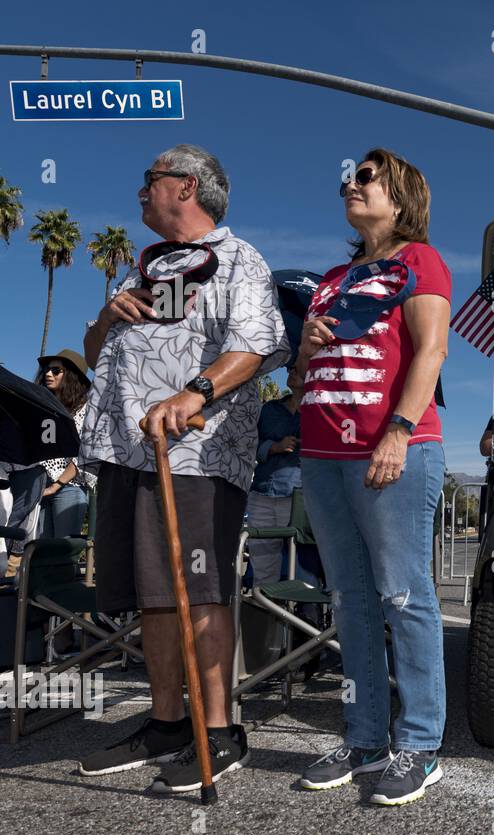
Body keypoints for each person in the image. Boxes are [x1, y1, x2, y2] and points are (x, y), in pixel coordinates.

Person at [76, 144, 289, 790]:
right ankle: (168, 722)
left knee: (199, 589)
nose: (140, 191)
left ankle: (219, 730)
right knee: (154, 595)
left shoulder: (236, 259)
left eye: (151, 180)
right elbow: (93, 355)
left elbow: (257, 343)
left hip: (195, 450)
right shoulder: (141, 271)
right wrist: (109, 314)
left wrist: (194, 393)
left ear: (187, 186)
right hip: (128, 450)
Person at [294, 148, 453, 805]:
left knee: (402, 595)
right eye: (349, 177)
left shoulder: (420, 260)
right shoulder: (330, 277)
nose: (350, 185)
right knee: (350, 602)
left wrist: (398, 428)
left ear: (401, 193)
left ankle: (420, 742)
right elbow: (302, 379)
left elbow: (434, 348)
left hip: (392, 449)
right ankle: (364, 738)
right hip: (321, 454)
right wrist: (303, 352)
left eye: (366, 177)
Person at [246, 368, 304, 587]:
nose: (291, 370)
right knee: (262, 566)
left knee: (302, 565)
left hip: (299, 496)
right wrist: (273, 447)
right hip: (262, 493)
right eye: (289, 367)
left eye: (297, 367)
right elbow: (249, 445)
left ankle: (305, 616)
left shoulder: (319, 409)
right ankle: (266, 612)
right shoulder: (269, 409)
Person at [32, 350, 96, 540]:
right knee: (40, 552)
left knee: (63, 552)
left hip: (70, 487)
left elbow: (84, 454)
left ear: (71, 375)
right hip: (41, 486)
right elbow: (46, 449)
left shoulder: (87, 410)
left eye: (56, 370)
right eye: (46, 369)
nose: (48, 374)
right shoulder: (45, 408)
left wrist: (57, 485)